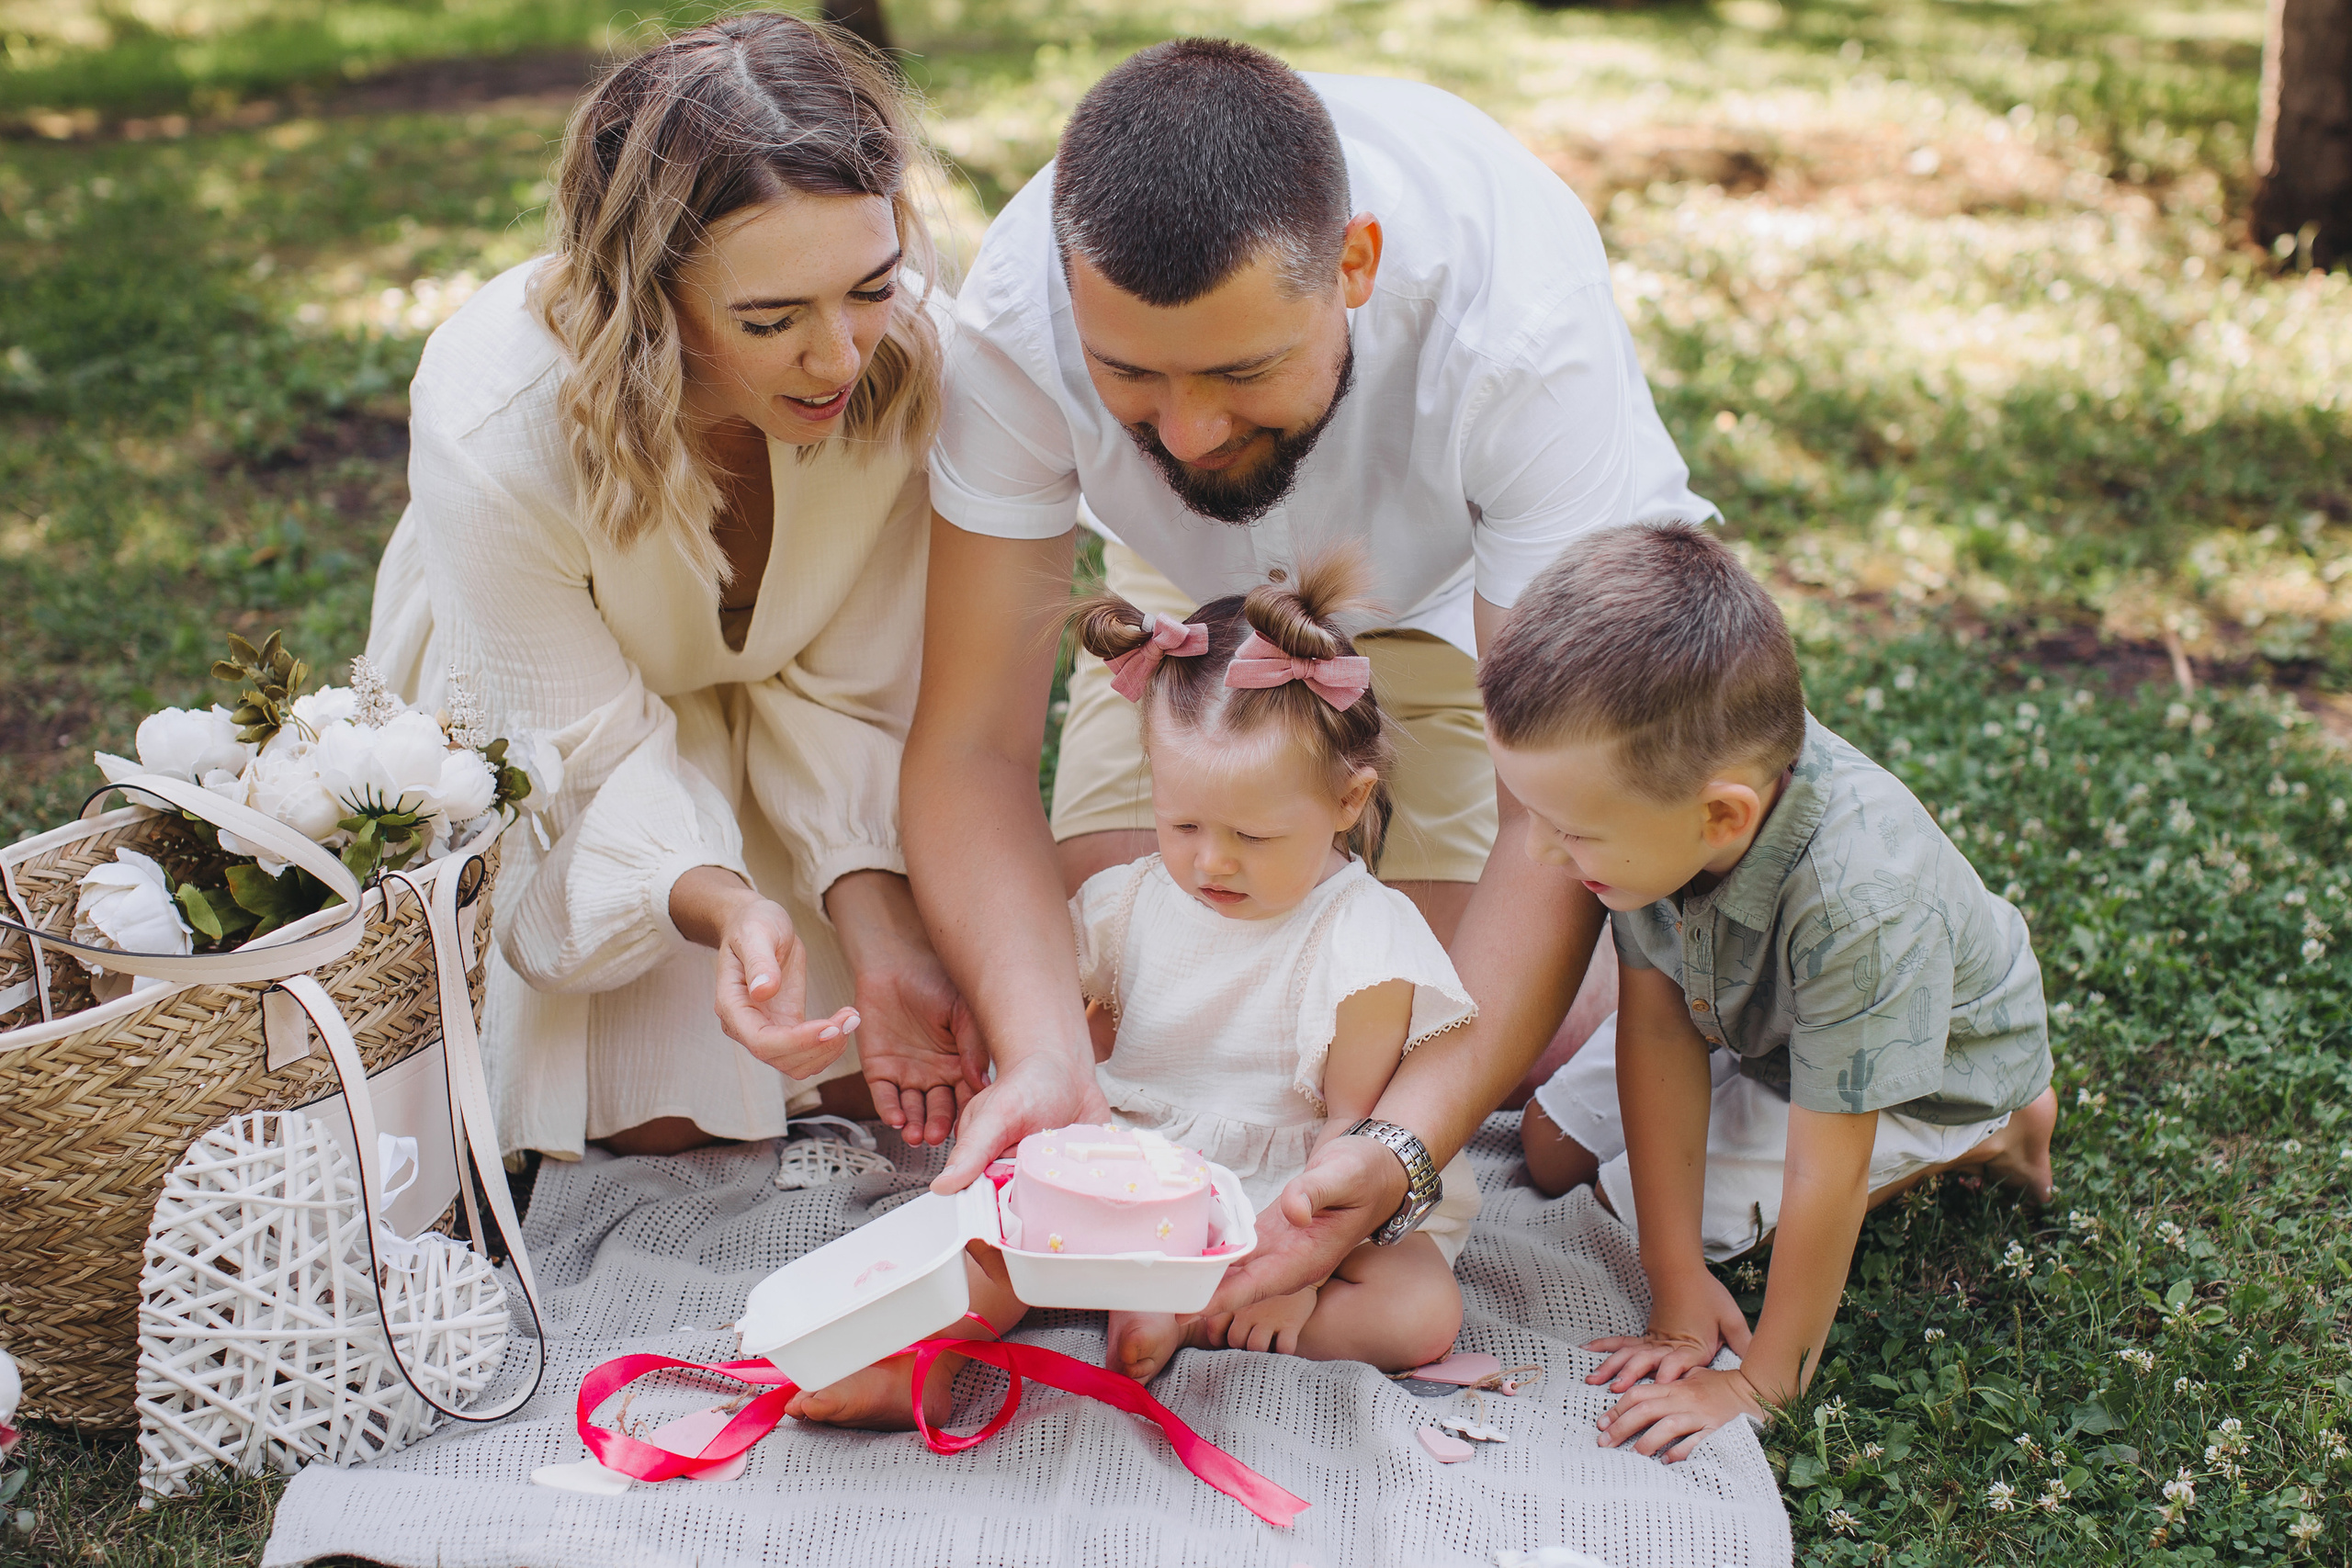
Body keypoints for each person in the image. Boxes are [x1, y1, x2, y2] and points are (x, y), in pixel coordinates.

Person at [903, 37, 1713, 1306]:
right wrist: (1046, 1049)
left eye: (1240, 371)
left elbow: (1548, 817)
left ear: (1355, 269)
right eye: (1131, 377)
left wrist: (1400, 1148)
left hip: (1468, 602)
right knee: (1129, 957)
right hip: (1191, 605)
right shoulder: (1013, 321)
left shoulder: (1518, 327)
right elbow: (968, 748)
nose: (1188, 431)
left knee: (1463, 1022)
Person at [365, 13, 981, 1163]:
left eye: (868, 286)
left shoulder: (901, 363)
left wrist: (879, 923)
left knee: (887, 1075)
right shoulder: (494, 420)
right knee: (651, 1127)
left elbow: (855, 682)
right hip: (558, 729)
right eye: (770, 320)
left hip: (785, 720)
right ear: (649, 296)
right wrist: (730, 906)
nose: (841, 357)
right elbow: (579, 751)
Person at [790, 551, 1476, 1430]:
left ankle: (1200, 1307)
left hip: (1282, 1196)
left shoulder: (1362, 938)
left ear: (1350, 801)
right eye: (1182, 821)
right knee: (992, 1245)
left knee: (1422, 1307)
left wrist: (1299, 1275)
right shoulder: (1133, 900)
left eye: (1254, 835)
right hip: (1136, 1175)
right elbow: (1050, 1011)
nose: (1211, 860)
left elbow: (1350, 1130)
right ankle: (924, 1358)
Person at [1482, 522, 2058, 1461]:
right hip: (1753, 1017)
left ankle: (1996, 1127)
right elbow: (1657, 1026)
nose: (1542, 853)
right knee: (1548, 1153)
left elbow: (1821, 1170)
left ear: (1722, 816)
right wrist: (1671, 1293)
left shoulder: (1863, 903)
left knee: (1621, 1207)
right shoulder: (1652, 812)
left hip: (1909, 1074)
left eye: (1570, 831)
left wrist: (1758, 1380)